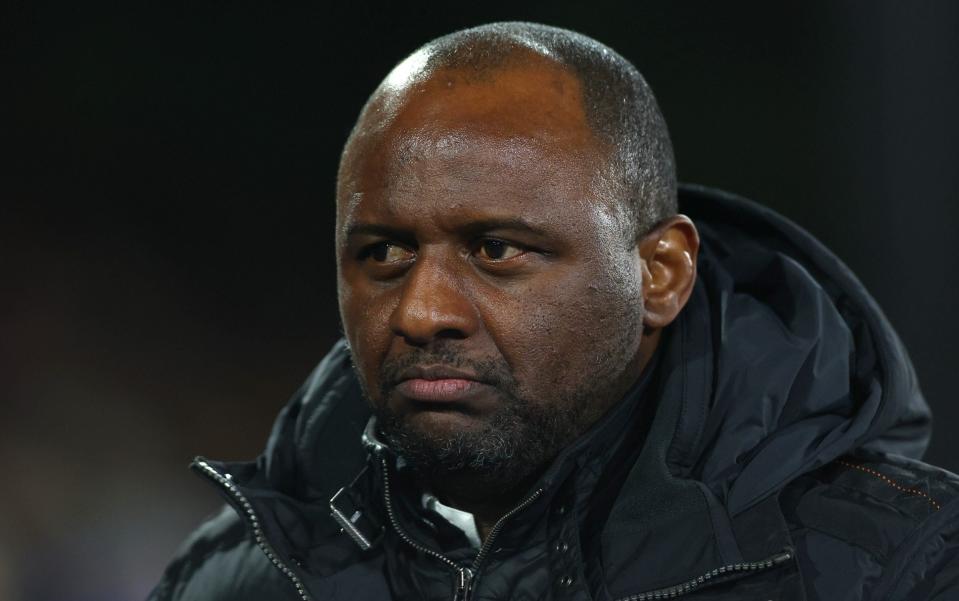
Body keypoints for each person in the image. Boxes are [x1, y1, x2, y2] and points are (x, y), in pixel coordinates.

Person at [149, 22, 959, 601]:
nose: (422, 311)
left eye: (497, 249)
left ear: (660, 272)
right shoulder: (239, 576)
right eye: (384, 254)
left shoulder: (902, 568)